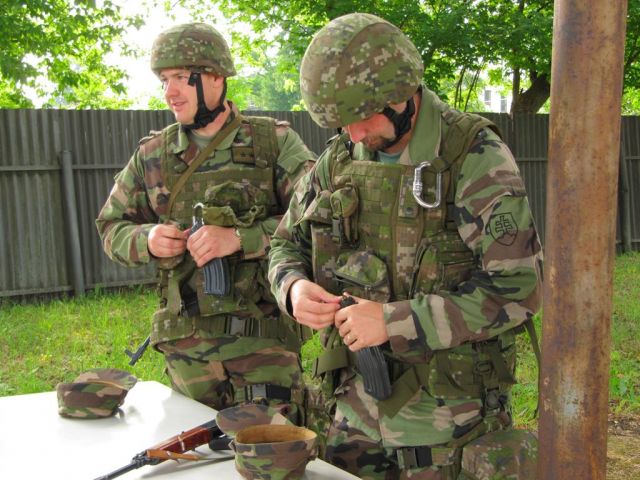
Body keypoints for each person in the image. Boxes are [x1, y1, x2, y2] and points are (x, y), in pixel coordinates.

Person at [268, 13, 543, 479]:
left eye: (361, 118)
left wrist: (394, 321)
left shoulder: (471, 156)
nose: (353, 134)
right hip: (349, 418)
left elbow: (519, 289)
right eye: (342, 123)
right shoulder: (339, 159)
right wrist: (292, 287)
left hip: (446, 428)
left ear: (400, 95)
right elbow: (284, 244)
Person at [96, 23, 316, 421]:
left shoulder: (274, 143)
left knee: (273, 449)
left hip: (263, 348)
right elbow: (111, 228)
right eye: (164, 80)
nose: (170, 91)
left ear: (216, 76)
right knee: (193, 450)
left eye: (182, 77)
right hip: (188, 354)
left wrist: (242, 238)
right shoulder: (153, 155)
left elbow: (317, 221)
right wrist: (148, 238)